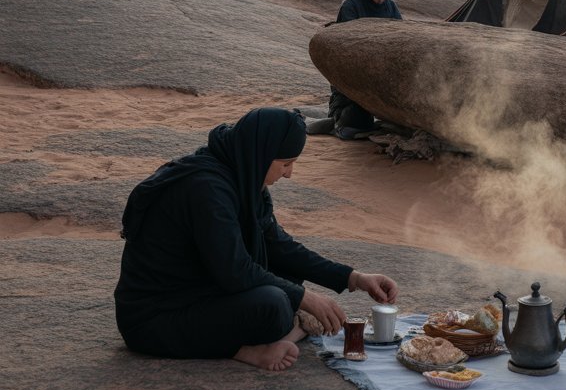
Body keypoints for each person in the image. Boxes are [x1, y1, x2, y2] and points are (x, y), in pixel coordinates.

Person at [114, 107, 398, 371]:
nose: (288, 174)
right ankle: (243, 349)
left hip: (200, 292)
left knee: (286, 278)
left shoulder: (242, 173)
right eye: (285, 163)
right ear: (262, 154)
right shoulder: (206, 190)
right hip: (155, 319)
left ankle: (276, 333)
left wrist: (354, 278)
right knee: (273, 303)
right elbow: (235, 272)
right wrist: (305, 299)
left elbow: (278, 246)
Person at [328, 0, 402, 139]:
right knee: (357, 120)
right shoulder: (351, 6)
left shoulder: (391, 6)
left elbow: (401, 38)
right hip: (354, 77)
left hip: (383, 70)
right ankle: (337, 116)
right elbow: (348, 47)